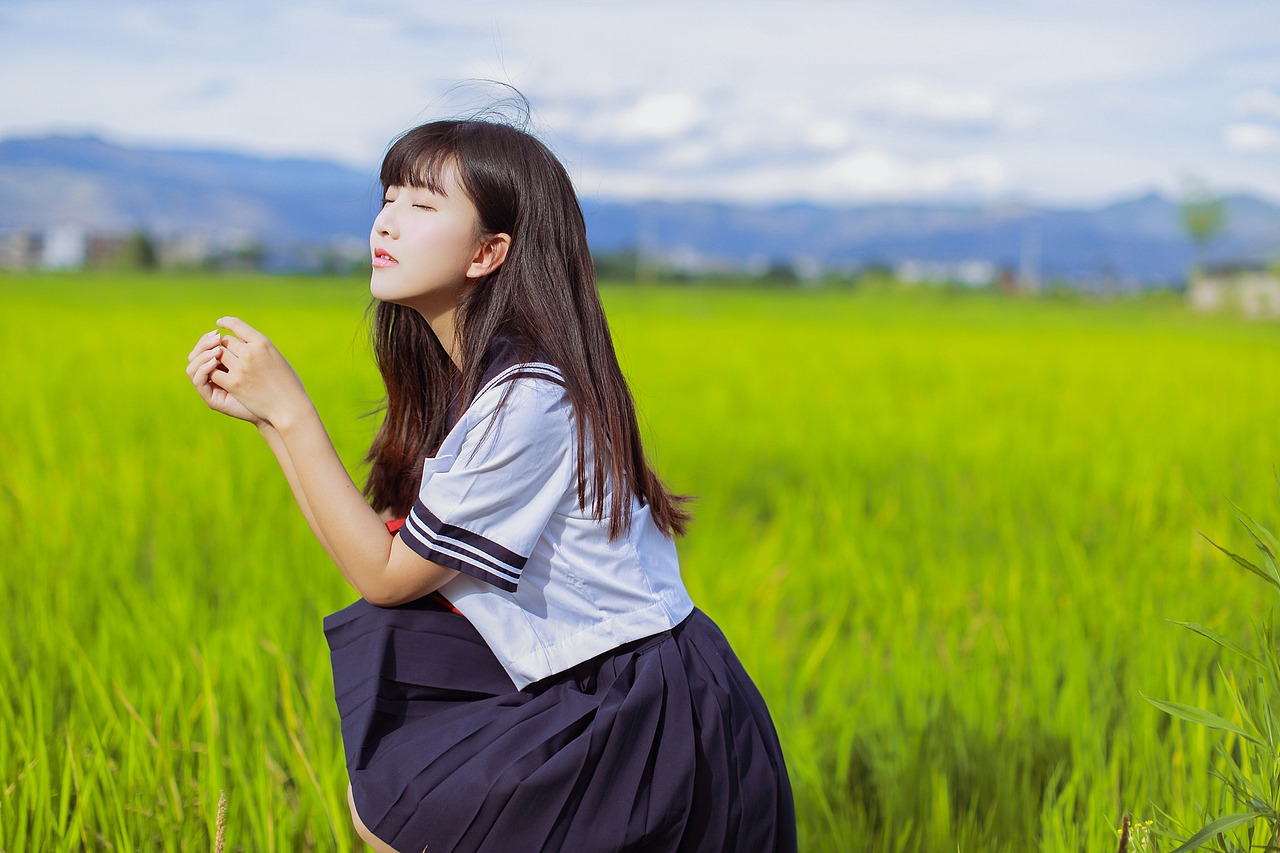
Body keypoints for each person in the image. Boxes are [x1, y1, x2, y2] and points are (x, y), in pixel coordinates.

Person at [185, 116, 796, 853]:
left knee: (404, 804)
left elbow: (386, 576)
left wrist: (291, 410)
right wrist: (269, 420)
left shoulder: (529, 398)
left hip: (644, 711)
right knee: (393, 798)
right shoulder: (476, 381)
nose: (387, 222)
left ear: (488, 252)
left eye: (422, 204)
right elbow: (383, 549)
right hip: (586, 682)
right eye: (389, 197)